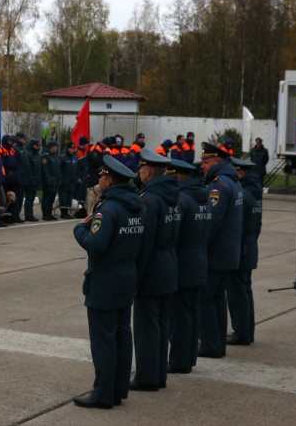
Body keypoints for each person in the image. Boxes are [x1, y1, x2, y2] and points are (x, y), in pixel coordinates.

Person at [72, 155, 147, 409]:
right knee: (122, 336)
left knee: (104, 339)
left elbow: (96, 245)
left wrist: (79, 230)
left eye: (102, 177)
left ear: (110, 180)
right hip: (127, 277)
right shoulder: (137, 206)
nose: (99, 180)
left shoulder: (110, 209)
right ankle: (117, 389)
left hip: (105, 280)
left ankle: (103, 393)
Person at [131, 149, 179, 392]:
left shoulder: (149, 199)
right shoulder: (171, 195)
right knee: (160, 325)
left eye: (140, 169)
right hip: (169, 265)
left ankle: (147, 377)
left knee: (146, 328)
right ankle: (158, 374)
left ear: (148, 172)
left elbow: (145, 243)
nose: (138, 172)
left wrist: (136, 281)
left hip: (152, 270)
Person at [198, 142, 242, 359]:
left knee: (206, 298)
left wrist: (200, 248)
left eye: (206, 162)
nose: (203, 166)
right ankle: (216, 344)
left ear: (218, 161)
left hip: (216, 254)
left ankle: (210, 345)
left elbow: (211, 224)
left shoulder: (219, 186)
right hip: (228, 253)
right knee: (216, 298)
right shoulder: (232, 182)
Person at [166, 158, 209, 374]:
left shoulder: (181, 199)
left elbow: (173, 233)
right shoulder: (202, 197)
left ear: (178, 176)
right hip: (200, 260)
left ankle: (179, 361)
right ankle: (189, 357)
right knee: (192, 312)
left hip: (183, 262)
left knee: (180, 315)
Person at [226, 157, 262, 344]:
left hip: (241, 247)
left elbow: (235, 226)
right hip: (250, 245)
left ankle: (241, 333)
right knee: (244, 291)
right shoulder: (253, 193)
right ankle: (246, 331)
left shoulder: (243, 195)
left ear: (240, 173)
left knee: (237, 293)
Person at [10, 132, 29, 223]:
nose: (25, 140)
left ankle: (16, 214)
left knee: (21, 197)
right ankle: (14, 215)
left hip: (24, 176)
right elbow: (15, 164)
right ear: (19, 138)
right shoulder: (15, 148)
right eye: (24, 138)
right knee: (17, 197)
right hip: (18, 177)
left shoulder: (23, 148)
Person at [0, 134, 18, 223]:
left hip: (13, 175)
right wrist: (4, 175)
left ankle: (10, 216)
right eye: (9, 141)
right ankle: (3, 217)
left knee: (12, 198)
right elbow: (1, 164)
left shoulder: (13, 150)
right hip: (6, 176)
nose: (10, 143)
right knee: (5, 198)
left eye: (11, 141)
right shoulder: (1, 150)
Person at [40, 140, 60, 221]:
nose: (57, 148)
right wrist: (48, 179)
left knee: (52, 198)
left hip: (55, 181)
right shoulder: (45, 156)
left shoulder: (55, 156)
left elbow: (58, 169)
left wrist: (59, 179)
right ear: (52, 147)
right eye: (56, 146)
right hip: (48, 181)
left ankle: (49, 213)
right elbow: (45, 170)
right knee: (46, 198)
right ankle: (45, 214)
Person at [59, 142, 78, 219]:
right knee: (63, 197)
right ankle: (63, 213)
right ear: (67, 149)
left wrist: (76, 178)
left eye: (73, 149)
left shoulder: (75, 158)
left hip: (72, 181)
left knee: (69, 197)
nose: (72, 150)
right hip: (64, 181)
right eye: (70, 149)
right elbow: (59, 170)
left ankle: (67, 213)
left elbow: (76, 170)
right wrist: (60, 179)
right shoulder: (63, 158)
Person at [24, 139, 41, 222]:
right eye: (36, 146)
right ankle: (28, 215)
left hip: (36, 180)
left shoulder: (37, 155)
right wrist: (29, 179)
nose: (38, 147)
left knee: (32, 198)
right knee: (29, 198)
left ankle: (30, 214)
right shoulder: (29, 154)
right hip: (30, 180)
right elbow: (28, 168)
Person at [75, 136, 89, 209]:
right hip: (80, 175)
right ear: (83, 143)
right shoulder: (78, 152)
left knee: (84, 193)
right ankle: (78, 209)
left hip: (84, 175)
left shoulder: (84, 152)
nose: (87, 145)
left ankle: (82, 209)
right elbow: (76, 167)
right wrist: (77, 177)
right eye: (86, 143)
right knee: (79, 194)